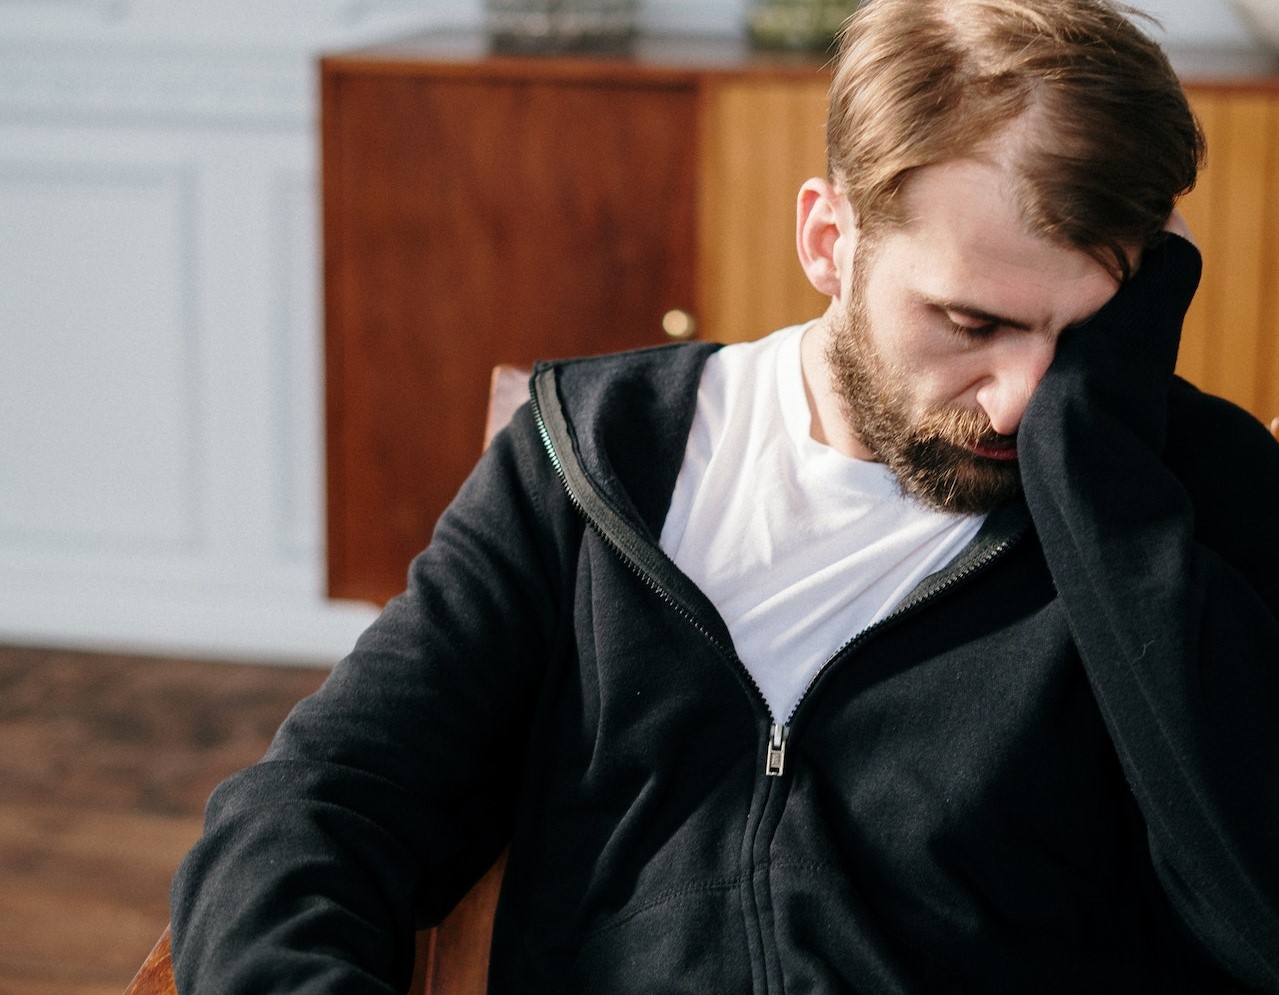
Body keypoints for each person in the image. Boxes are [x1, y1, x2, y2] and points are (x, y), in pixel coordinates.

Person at [170, 0, 1279, 991]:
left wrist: (1103, 475)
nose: (1012, 405)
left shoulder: (1184, 497)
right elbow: (310, 812)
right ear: (827, 241)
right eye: (969, 321)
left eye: (1083, 334)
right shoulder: (595, 460)